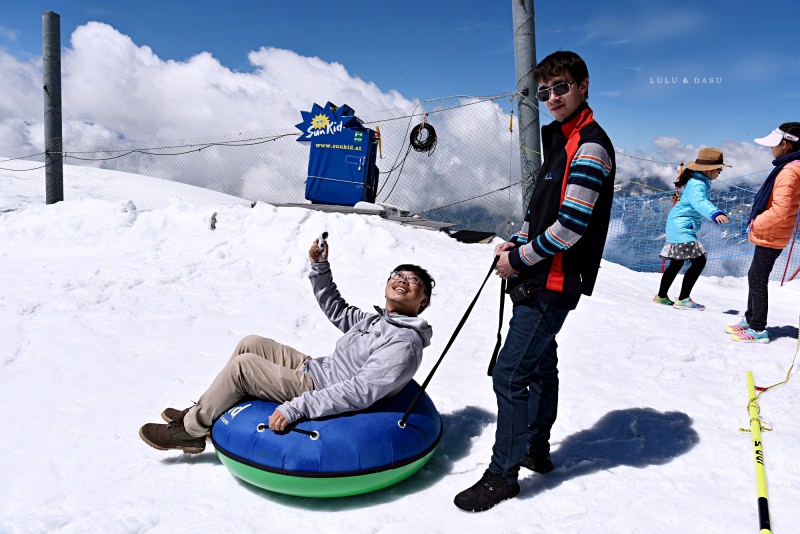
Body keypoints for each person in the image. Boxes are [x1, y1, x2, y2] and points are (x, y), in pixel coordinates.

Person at [453, 50, 616, 512]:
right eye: (544, 91)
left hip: (553, 280)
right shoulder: (563, 142)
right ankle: (535, 449)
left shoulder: (589, 146)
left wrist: (519, 260)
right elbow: (540, 215)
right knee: (541, 364)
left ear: (584, 85)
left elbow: (570, 226)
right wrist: (516, 242)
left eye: (561, 87)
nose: (551, 97)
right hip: (542, 276)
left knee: (511, 373)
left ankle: (502, 475)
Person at [139, 238, 434, 453]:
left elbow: (360, 392)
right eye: (398, 274)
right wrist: (320, 267)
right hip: (316, 368)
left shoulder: (403, 343)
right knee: (250, 343)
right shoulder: (375, 321)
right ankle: (205, 409)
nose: (403, 280)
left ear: (423, 302)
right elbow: (338, 309)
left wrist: (299, 407)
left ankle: (190, 431)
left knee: (243, 368)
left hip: (317, 387)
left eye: (414, 280)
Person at [727, 122, 800, 343]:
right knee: (755, 276)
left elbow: (781, 209)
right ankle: (750, 319)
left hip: (772, 233)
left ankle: (757, 329)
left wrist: (756, 223)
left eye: (773, 145)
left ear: (785, 145)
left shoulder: (789, 171)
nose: (770, 149)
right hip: (774, 232)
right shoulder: (792, 167)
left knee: (758, 279)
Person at [653, 148, 731, 310]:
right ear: (708, 169)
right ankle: (683, 299)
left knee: (676, 263)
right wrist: (714, 212)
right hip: (681, 226)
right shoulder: (698, 184)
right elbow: (700, 202)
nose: (720, 173)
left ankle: (661, 297)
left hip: (677, 224)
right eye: (719, 169)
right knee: (699, 260)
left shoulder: (698, 181)